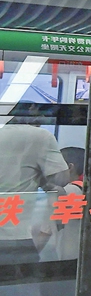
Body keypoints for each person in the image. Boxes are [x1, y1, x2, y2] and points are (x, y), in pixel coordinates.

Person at [0, 104, 71, 267]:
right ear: (31, 109)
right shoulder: (39, 136)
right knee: (19, 289)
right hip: (13, 239)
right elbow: (61, 179)